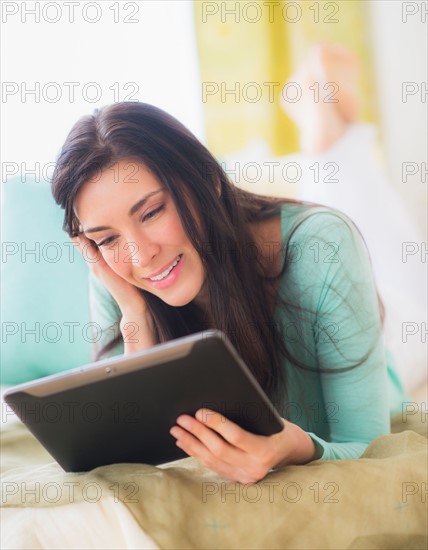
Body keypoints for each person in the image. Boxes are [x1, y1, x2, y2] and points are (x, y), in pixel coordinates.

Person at [51, 48, 406, 483]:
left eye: (151, 212)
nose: (140, 256)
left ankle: (323, 122)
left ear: (209, 180)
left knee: (391, 257)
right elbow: (126, 456)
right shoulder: (117, 279)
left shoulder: (321, 246)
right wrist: (136, 324)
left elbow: (368, 450)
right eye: (106, 238)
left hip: (391, 348)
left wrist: (297, 447)